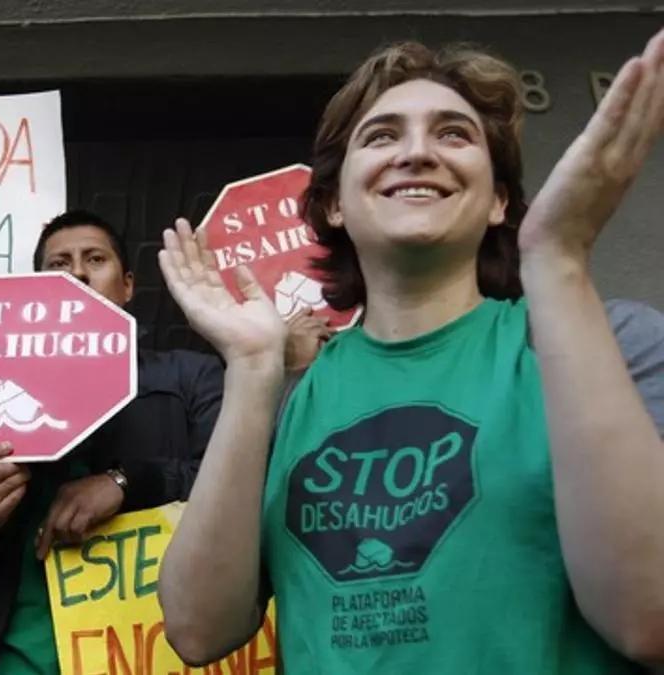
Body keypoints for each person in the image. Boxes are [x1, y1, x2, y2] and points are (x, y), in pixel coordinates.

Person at [158, 34, 664, 673]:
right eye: (381, 137)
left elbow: (651, 619)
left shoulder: (607, 342)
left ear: (499, 201)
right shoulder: (290, 397)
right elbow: (198, 631)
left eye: (454, 134)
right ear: (335, 204)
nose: (418, 152)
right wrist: (253, 369)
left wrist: (559, 260)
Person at [0, 209, 225, 674]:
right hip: (13, 659)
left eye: (95, 259)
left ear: (128, 285)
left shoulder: (191, 376)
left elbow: (242, 491)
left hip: (157, 655)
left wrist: (126, 482)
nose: (77, 273)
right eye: (58, 265)